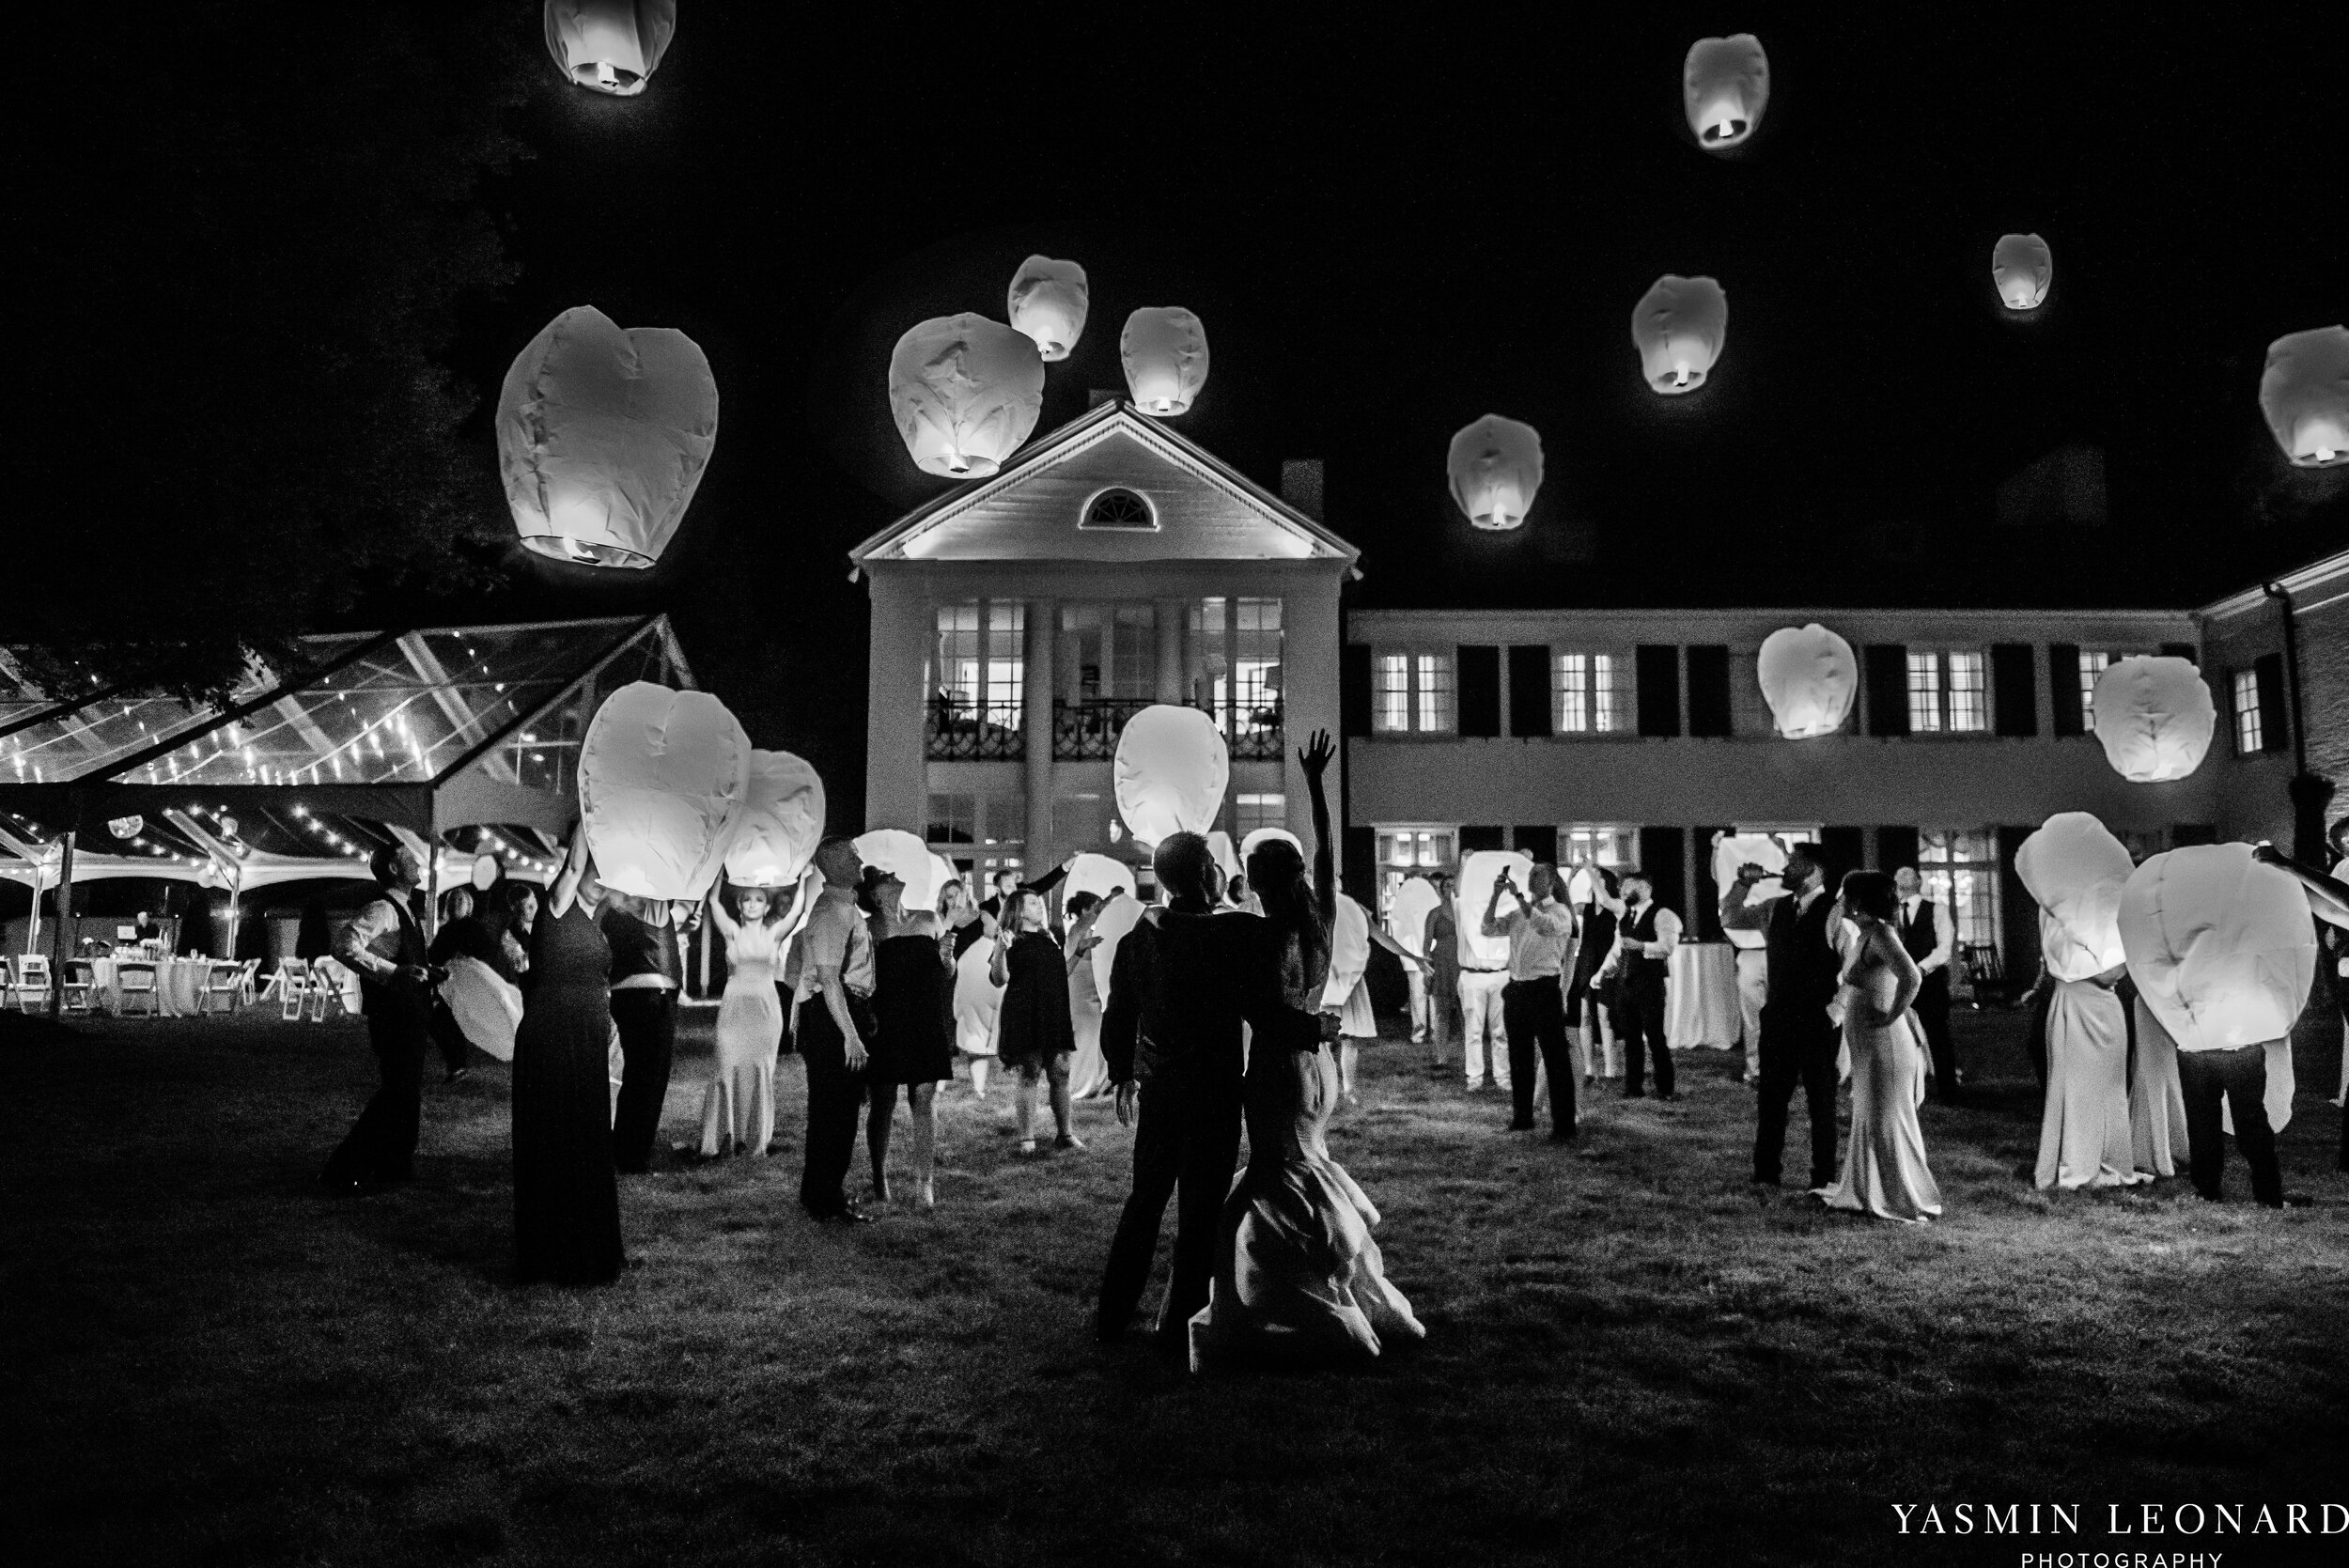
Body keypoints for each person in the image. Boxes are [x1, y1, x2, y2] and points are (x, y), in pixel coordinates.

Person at [1189, 731, 1424, 1373]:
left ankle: (1248, 1295)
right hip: (1316, 1069)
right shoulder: (1319, 920)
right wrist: (1317, 786)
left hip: (1276, 1067)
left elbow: (1249, 998)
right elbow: (1326, 851)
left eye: (1249, 867)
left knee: (1269, 1174)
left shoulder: (1260, 936)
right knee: (1303, 1161)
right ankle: (1324, 1274)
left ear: (1260, 876)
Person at [1097, 837, 1264, 1351]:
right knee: (1200, 1211)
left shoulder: (1138, 938)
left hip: (1162, 1090)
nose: (1220, 872)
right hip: (1212, 1091)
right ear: (1200, 876)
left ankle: (1110, 1318)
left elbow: (1119, 1012)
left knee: (1144, 1200)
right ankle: (1181, 1326)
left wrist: (1123, 1070)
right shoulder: (1230, 934)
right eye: (1214, 865)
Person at [511, 829, 625, 1286]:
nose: (598, 876)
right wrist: (592, 808)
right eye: (592, 867)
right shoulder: (558, 906)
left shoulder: (598, 923)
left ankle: (587, 1248)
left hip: (587, 1039)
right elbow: (576, 864)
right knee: (555, 1138)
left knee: (587, 1139)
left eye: (606, 870)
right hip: (553, 1037)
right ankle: (551, 1254)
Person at [1813, 872, 1943, 1224]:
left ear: (1857, 900)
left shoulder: (1882, 934)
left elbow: (1911, 976)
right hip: (1866, 1042)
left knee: (1887, 1118)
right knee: (1870, 1116)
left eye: (1845, 894)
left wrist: (1892, 1015)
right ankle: (1865, 1189)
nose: (1839, 899)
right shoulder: (1866, 932)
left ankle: (1901, 1196)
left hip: (1884, 1040)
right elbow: (1833, 927)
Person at [319, 843, 440, 1191]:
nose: (418, 863)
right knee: (396, 1092)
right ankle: (341, 1171)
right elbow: (343, 946)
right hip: (393, 1014)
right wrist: (392, 973)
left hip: (410, 1011)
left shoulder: (404, 909)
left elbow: (401, 959)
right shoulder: (381, 908)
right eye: (410, 859)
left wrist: (428, 971)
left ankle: (396, 1164)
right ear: (393, 869)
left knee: (407, 1091)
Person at [1727, 844, 1844, 1190]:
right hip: (1778, 1019)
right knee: (1771, 1100)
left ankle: (1823, 1178)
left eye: (1793, 864)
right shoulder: (1773, 908)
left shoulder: (1836, 912)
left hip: (1816, 1021)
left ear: (1814, 870)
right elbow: (1731, 918)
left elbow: (1852, 969)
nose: (1785, 868)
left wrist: (1835, 1012)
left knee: (1821, 1103)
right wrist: (1741, 885)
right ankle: (1766, 1174)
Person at [2030, 893, 2147, 1194]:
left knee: (2106, 1088)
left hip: (2096, 1008)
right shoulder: (2052, 912)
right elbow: (2058, 963)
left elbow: (2117, 969)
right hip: (2075, 1006)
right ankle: (2075, 1159)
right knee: (2071, 1085)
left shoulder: (2107, 914)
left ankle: (2105, 1157)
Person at [787, 838, 877, 1222]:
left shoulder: (843, 907)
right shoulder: (831, 912)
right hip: (832, 1016)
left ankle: (822, 1195)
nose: (860, 861)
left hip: (834, 1013)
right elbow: (828, 978)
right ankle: (825, 1200)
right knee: (834, 1114)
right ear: (834, 864)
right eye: (852, 856)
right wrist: (851, 1035)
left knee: (834, 1112)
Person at [868, 893, 954, 1208]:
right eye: (885, 876)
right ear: (876, 893)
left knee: (924, 1097)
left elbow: (946, 972)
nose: (894, 877)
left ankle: (925, 1184)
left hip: (926, 1018)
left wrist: (947, 957)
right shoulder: (869, 927)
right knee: (883, 1102)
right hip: (887, 1020)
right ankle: (880, 1180)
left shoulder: (929, 918)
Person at [1482, 861, 1578, 1139]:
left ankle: (1564, 1125)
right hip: (1517, 990)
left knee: (1555, 1058)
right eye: (1531, 874)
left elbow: (1544, 926)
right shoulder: (1517, 913)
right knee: (1519, 1057)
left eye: (1539, 875)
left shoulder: (1561, 913)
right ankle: (1522, 1117)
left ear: (1551, 883)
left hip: (1545, 989)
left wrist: (1520, 898)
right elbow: (1487, 929)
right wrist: (1495, 896)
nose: (1532, 878)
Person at [600, 892, 693, 1173]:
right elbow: (685, 902)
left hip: (625, 994)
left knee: (636, 1077)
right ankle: (634, 1157)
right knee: (651, 1080)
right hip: (653, 993)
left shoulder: (611, 909)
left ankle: (624, 1150)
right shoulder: (654, 902)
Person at [700, 881, 792, 1159]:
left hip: (765, 1010)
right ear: (739, 906)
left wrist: (805, 869)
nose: (752, 903)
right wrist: (719, 868)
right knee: (726, 1066)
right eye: (747, 899)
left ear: (766, 907)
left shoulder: (775, 933)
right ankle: (723, 1138)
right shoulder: (732, 933)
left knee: (760, 1069)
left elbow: (798, 909)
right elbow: (713, 901)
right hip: (735, 1007)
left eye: (758, 899)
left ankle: (754, 1139)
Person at [991, 886, 1081, 1155]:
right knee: (1029, 1071)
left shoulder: (1049, 937)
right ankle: (1027, 1138)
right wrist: (999, 949)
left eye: (1038, 902)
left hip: (1054, 1012)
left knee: (1061, 1071)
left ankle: (1065, 1134)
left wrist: (1078, 953)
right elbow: (998, 979)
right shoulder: (1010, 939)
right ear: (1017, 910)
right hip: (1025, 1013)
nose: (1039, 906)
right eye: (1032, 903)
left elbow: (1059, 973)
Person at [1606, 872, 1680, 1101]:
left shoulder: (1663, 914)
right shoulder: (1626, 917)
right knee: (1631, 1039)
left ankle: (1665, 1088)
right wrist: (1607, 969)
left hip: (1650, 985)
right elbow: (1619, 949)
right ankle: (1633, 1086)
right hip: (1626, 984)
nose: (1623, 892)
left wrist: (1640, 946)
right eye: (1622, 888)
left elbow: (1667, 947)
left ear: (1645, 888)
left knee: (1655, 1037)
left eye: (1629, 887)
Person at [1891, 867, 1961, 1104]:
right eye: (1897, 875)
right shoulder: (1891, 912)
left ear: (1918, 881)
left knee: (1938, 1035)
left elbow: (1944, 948)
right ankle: (1905, 1090)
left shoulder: (1937, 909)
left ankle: (1948, 1090)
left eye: (1906, 873)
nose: (1900, 878)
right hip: (1898, 984)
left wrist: (1920, 969)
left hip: (1930, 984)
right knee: (1899, 1036)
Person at [1568, 866, 1624, 1084]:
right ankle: (1589, 1070)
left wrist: (1589, 868)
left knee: (1605, 1017)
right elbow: (1568, 903)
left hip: (1606, 963)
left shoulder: (1617, 907)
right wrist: (1573, 875)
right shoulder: (1588, 909)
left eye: (1599, 879)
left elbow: (1604, 897)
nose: (1593, 882)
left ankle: (1611, 1071)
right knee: (1584, 1017)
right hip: (1586, 962)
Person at [1063, 892, 1115, 1099]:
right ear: (1085, 910)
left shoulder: (1086, 926)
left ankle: (1101, 1082)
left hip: (1093, 986)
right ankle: (1082, 1085)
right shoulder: (1080, 928)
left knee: (1098, 1034)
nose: (1100, 910)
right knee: (1087, 1035)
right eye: (1095, 907)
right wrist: (1110, 899)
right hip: (1081, 989)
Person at [1420, 872, 1461, 1076]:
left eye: (1454, 885)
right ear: (1441, 889)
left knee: (1466, 1014)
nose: (1451, 889)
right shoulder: (1435, 913)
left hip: (1462, 964)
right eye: (1447, 886)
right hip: (1443, 964)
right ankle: (1441, 1057)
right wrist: (1427, 971)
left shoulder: (1464, 911)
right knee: (1441, 1014)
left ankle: (1466, 1057)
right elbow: (1426, 944)